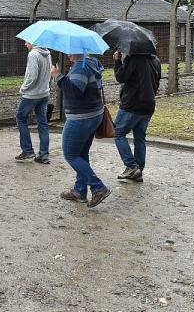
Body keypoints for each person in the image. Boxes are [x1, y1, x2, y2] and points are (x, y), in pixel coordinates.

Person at [51, 54, 112, 208]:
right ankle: (80, 191)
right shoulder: (92, 63)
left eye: (70, 51)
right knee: (81, 154)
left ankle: (98, 187)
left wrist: (58, 76)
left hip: (81, 118)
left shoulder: (81, 66)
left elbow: (75, 92)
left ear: (79, 50)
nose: (68, 54)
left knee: (71, 155)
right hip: (93, 114)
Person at [112, 51, 162, 183]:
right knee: (140, 136)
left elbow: (120, 77)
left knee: (117, 133)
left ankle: (131, 167)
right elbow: (157, 82)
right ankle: (139, 168)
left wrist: (117, 61)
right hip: (148, 105)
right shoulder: (155, 60)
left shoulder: (133, 59)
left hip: (132, 105)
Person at [15, 41, 53, 163]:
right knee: (43, 123)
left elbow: (32, 76)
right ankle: (44, 154)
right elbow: (50, 73)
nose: (25, 44)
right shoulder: (48, 53)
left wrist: (23, 88)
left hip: (31, 95)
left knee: (20, 118)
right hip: (44, 93)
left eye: (27, 41)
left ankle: (27, 150)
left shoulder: (33, 54)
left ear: (33, 41)